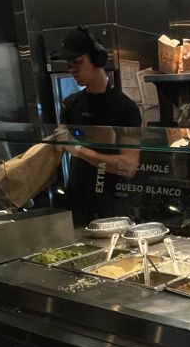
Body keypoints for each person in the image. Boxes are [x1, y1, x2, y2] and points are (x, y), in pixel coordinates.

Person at [56, 28, 141, 223]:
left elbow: (128, 167)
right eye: (69, 64)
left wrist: (78, 150)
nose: (71, 69)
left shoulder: (125, 108)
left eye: (77, 62)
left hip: (114, 208)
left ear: (97, 59)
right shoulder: (70, 104)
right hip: (76, 205)